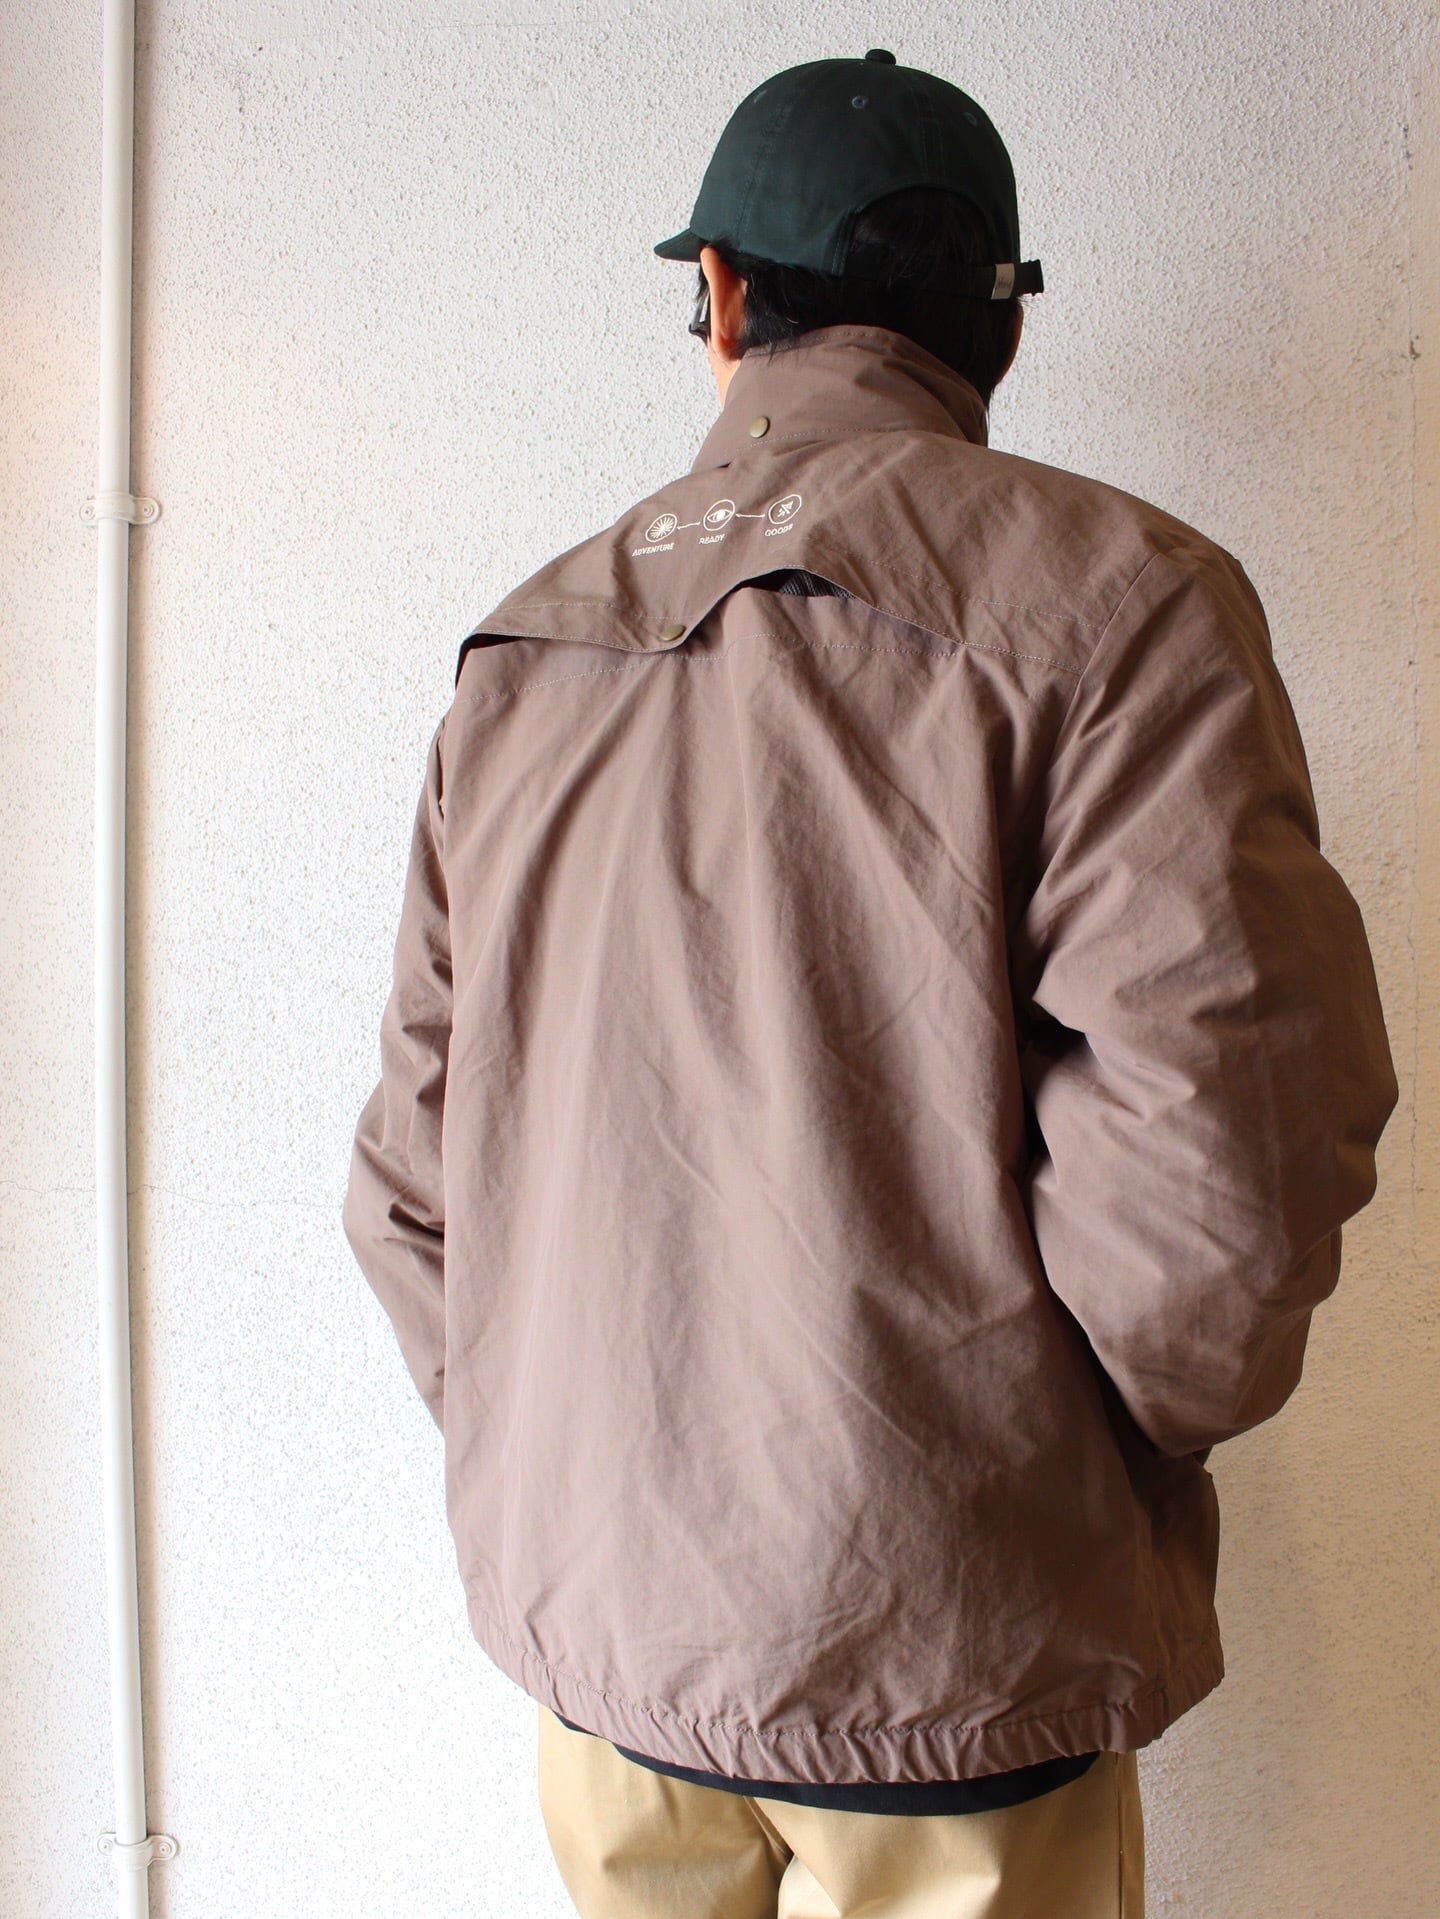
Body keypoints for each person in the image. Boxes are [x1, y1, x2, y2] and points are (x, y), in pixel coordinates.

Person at [342, 50, 1399, 1918]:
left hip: (607, 1665)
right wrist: (1055, 1452)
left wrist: (571, 1457)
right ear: (999, 327)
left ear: (721, 299)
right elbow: (1225, 1166)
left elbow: (416, 1179)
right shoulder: (1122, 602)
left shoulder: (526, 653)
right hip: (945, 1654)